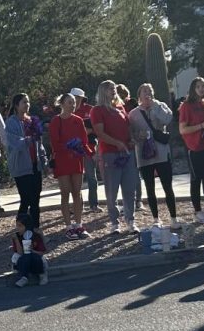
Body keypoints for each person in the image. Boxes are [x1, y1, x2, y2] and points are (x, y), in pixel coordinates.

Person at [91, 80, 139, 234]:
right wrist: (116, 143)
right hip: (110, 154)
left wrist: (130, 139)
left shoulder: (120, 107)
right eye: (109, 88)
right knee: (112, 189)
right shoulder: (97, 110)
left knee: (129, 188)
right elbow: (100, 133)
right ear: (102, 91)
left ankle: (130, 220)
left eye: (114, 88)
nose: (113, 90)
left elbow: (127, 127)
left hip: (127, 152)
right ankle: (114, 222)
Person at [129, 83, 178, 228]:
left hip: (162, 153)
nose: (147, 93)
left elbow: (167, 119)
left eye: (150, 90)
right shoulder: (133, 114)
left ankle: (174, 218)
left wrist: (155, 107)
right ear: (139, 95)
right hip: (144, 156)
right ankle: (156, 219)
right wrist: (139, 135)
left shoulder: (160, 106)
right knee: (150, 188)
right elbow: (131, 135)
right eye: (144, 91)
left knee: (167, 186)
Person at [49, 92, 93, 237]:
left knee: (77, 192)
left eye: (74, 102)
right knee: (65, 192)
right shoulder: (56, 121)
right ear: (61, 104)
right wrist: (69, 147)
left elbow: (84, 140)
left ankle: (79, 224)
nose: (73, 105)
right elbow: (55, 144)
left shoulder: (78, 120)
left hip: (76, 160)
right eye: (69, 102)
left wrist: (88, 152)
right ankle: (69, 227)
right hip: (63, 161)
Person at [178, 76, 204, 224]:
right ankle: (197, 211)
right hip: (194, 148)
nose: (201, 89)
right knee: (196, 180)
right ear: (193, 89)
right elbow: (182, 130)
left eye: (203, 86)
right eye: (198, 86)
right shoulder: (186, 106)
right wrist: (202, 125)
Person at [5, 93, 48, 231]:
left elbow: (39, 144)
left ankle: (35, 230)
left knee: (35, 199)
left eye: (28, 102)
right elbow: (15, 144)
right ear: (17, 105)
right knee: (25, 199)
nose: (27, 104)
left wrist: (44, 160)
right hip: (21, 167)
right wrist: (30, 138)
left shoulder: (32, 121)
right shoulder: (11, 122)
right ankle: (20, 230)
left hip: (35, 166)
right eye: (24, 102)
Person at [72, 87, 101, 211]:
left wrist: (89, 131)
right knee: (75, 179)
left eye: (78, 98)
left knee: (91, 177)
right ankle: (78, 206)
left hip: (89, 147)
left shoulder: (91, 110)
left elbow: (98, 128)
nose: (76, 100)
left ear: (82, 98)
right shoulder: (68, 110)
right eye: (74, 97)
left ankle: (94, 204)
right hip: (74, 149)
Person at [10, 212, 48, 287]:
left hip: (35, 260)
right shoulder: (17, 236)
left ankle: (42, 274)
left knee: (34, 257)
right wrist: (16, 240)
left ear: (27, 226)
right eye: (17, 225)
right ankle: (24, 277)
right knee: (24, 257)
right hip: (23, 260)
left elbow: (42, 252)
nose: (17, 228)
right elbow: (20, 253)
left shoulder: (36, 236)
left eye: (20, 226)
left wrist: (32, 250)